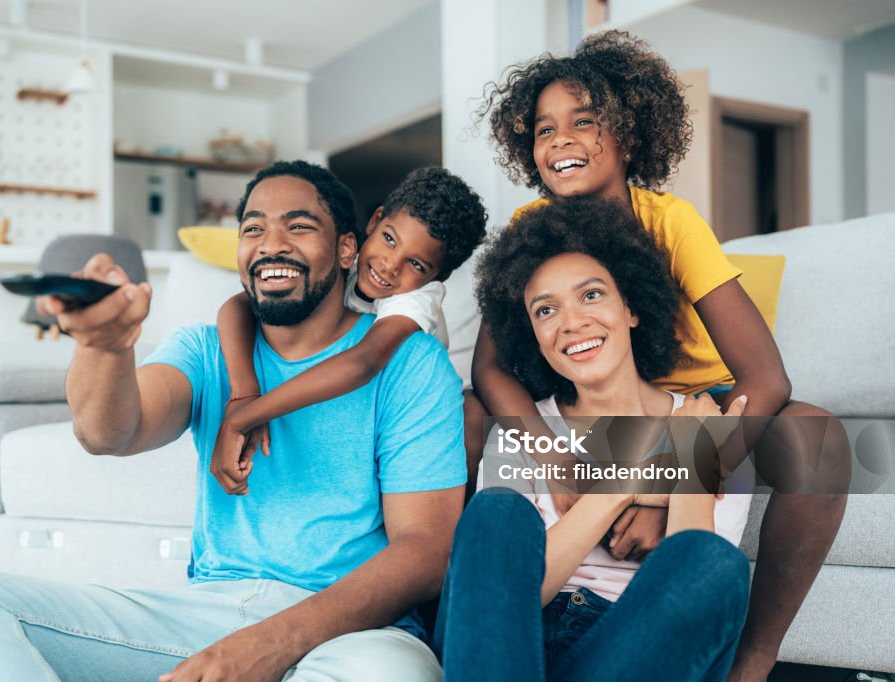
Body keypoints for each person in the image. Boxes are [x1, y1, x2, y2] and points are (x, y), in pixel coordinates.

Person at [0, 161, 466, 682]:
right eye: (253, 228)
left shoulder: (410, 362)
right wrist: (106, 346)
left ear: (345, 249)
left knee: (394, 675)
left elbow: (426, 551)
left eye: (299, 225)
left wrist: (268, 645)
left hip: (350, 633)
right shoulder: (207, 348)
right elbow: (109, 432)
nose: (271, 243)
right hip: (203, 616)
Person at [469, 30, 849, 680]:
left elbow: (764, 375)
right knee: (473, 412)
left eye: (583, 123)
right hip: (588, 406)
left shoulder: (671, 223)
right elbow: (489, 368)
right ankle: (458, 616)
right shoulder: (533, 228)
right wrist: (554, 458)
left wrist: (663, 488)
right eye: (543, 130)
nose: (559, 140)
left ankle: (751, 661)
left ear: (630, 135)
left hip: (693, 411)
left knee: (813, 434)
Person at [436, 197, 752, 682]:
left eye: (591, 295)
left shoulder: (702, 422)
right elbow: (515, 595)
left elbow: (693, 581)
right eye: (546, 310)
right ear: (535, 338)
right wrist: (626, 484)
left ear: (631, 308)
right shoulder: (525, 433)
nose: (572, 322)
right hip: (512, 642)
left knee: (716, 563)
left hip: (630, 647)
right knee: (494, 513)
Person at [210, 167, 487, 496]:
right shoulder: (345, 257)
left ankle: (457, 514)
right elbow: (236, 307)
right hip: (352, 393)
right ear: (375, 221)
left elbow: (363, 363)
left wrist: (242, 419)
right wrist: (243, 394)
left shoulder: (418, 298)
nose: (388, 264)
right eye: (388, 239)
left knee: (473, 413)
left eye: (416, 264)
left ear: (437, 277)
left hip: (410, 399)